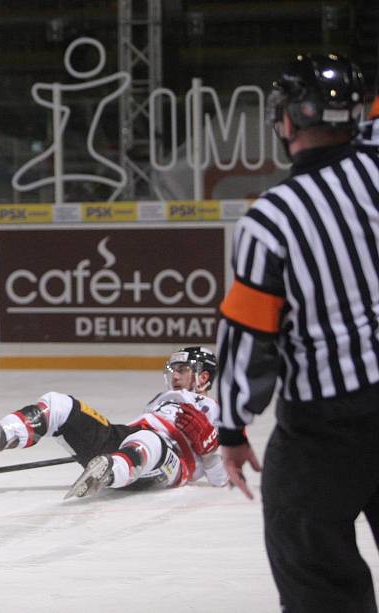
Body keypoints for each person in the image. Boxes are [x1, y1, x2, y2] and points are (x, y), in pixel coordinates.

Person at [216, 53, 379, 613]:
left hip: (323, 434)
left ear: (286, 121)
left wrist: (232, 425)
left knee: (318, 582)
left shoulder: (272, 220)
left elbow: (247, 336)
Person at [0, 347, 228, 498]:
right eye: (174, 370)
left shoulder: (219, 411)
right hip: (129, 441)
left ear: (203, 377)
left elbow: (223, 480)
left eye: (183, 370)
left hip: (169, 467)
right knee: (60, 404)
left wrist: (211, 452)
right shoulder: (162, 399)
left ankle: (109, 471)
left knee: (149, 440)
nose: (176, 375)